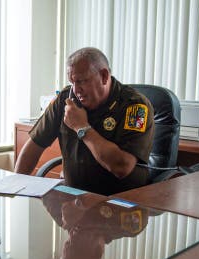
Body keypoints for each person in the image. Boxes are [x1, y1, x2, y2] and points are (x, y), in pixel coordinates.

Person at [15, 47, 155, 195]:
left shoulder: (136, 107)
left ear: (104, 76)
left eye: (82, 81)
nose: (76, 90)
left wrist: (82, 127)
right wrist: (15, 186)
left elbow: (122, 167)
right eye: (72, 81)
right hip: (74, 199)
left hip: (120, 202)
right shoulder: (66, 99)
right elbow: (34, 145)